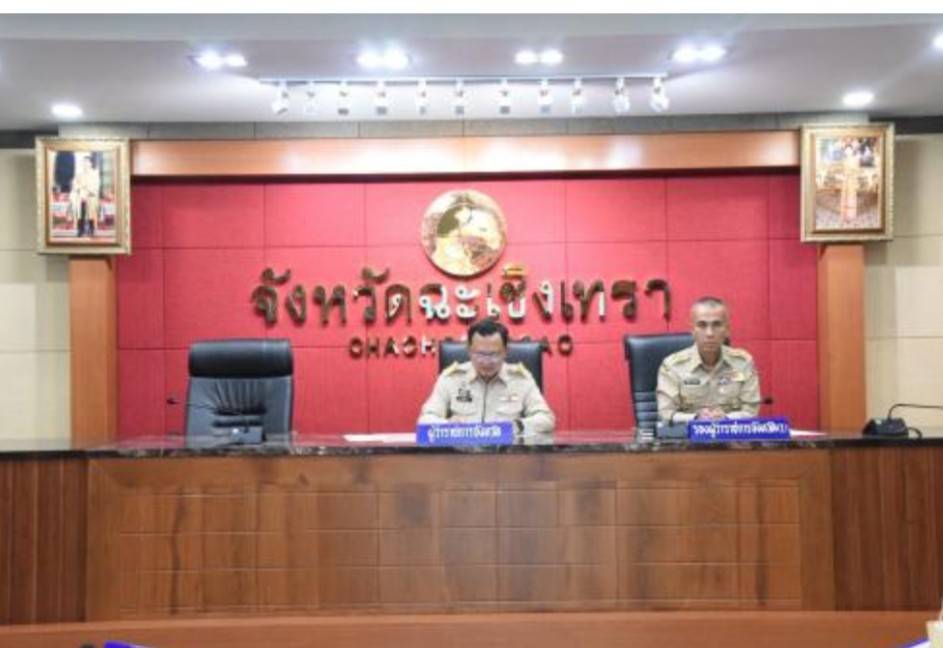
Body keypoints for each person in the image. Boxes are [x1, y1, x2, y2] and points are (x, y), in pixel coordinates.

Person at [418, 318, 555, 444]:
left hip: (507, 457)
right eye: (480, 354)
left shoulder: (521, 380)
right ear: (469, 351)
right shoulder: (451, 378)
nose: (486, 362)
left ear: (505, 351)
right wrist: (453, 429)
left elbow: (546, 419)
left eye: (494, 354)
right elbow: (425, 420)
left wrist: (516, 427)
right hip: (462, 456)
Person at [656, 296, 761, 424]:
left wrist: (726, 419)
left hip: (732, 435)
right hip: (688, 436)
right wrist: (696, 418)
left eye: (717, 325)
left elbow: (751, 411)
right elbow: (666, 414)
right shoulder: (673, 366)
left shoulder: (743, 362)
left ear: (727, 330)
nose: (709, 333)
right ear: (692, 330)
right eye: (702, 325)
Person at [70, 155, 101, 237]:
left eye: (86, 162)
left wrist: (87, 190)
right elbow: (75, 184)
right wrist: (81, 189)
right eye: (83, 162)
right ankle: (81, 230)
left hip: (91, 196)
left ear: (90, 163)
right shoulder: (79, 174)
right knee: (81, 213)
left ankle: (91, 229)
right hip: (81, 196)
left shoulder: (95, 174)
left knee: (91, 213)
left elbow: (96, 185)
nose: (85, 164)